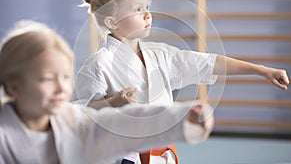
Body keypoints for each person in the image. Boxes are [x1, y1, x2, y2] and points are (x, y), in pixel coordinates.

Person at [74, 0, 290, 164]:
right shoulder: (98, 65)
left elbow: (209, 63)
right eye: (137, 9)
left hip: (164, 153)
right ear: (113, 22)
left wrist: (261, 70)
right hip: (123, 157)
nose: (147, 15)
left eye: (147, 7)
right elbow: (80, 112)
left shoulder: (161, 55)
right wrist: (114, 102)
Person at [0, 20, 215, 164]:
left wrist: (182, 118)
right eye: (47, 79)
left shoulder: (72, 120)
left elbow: (123, 124)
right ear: (13, 86)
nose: (61, 88)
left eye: (65, 77)